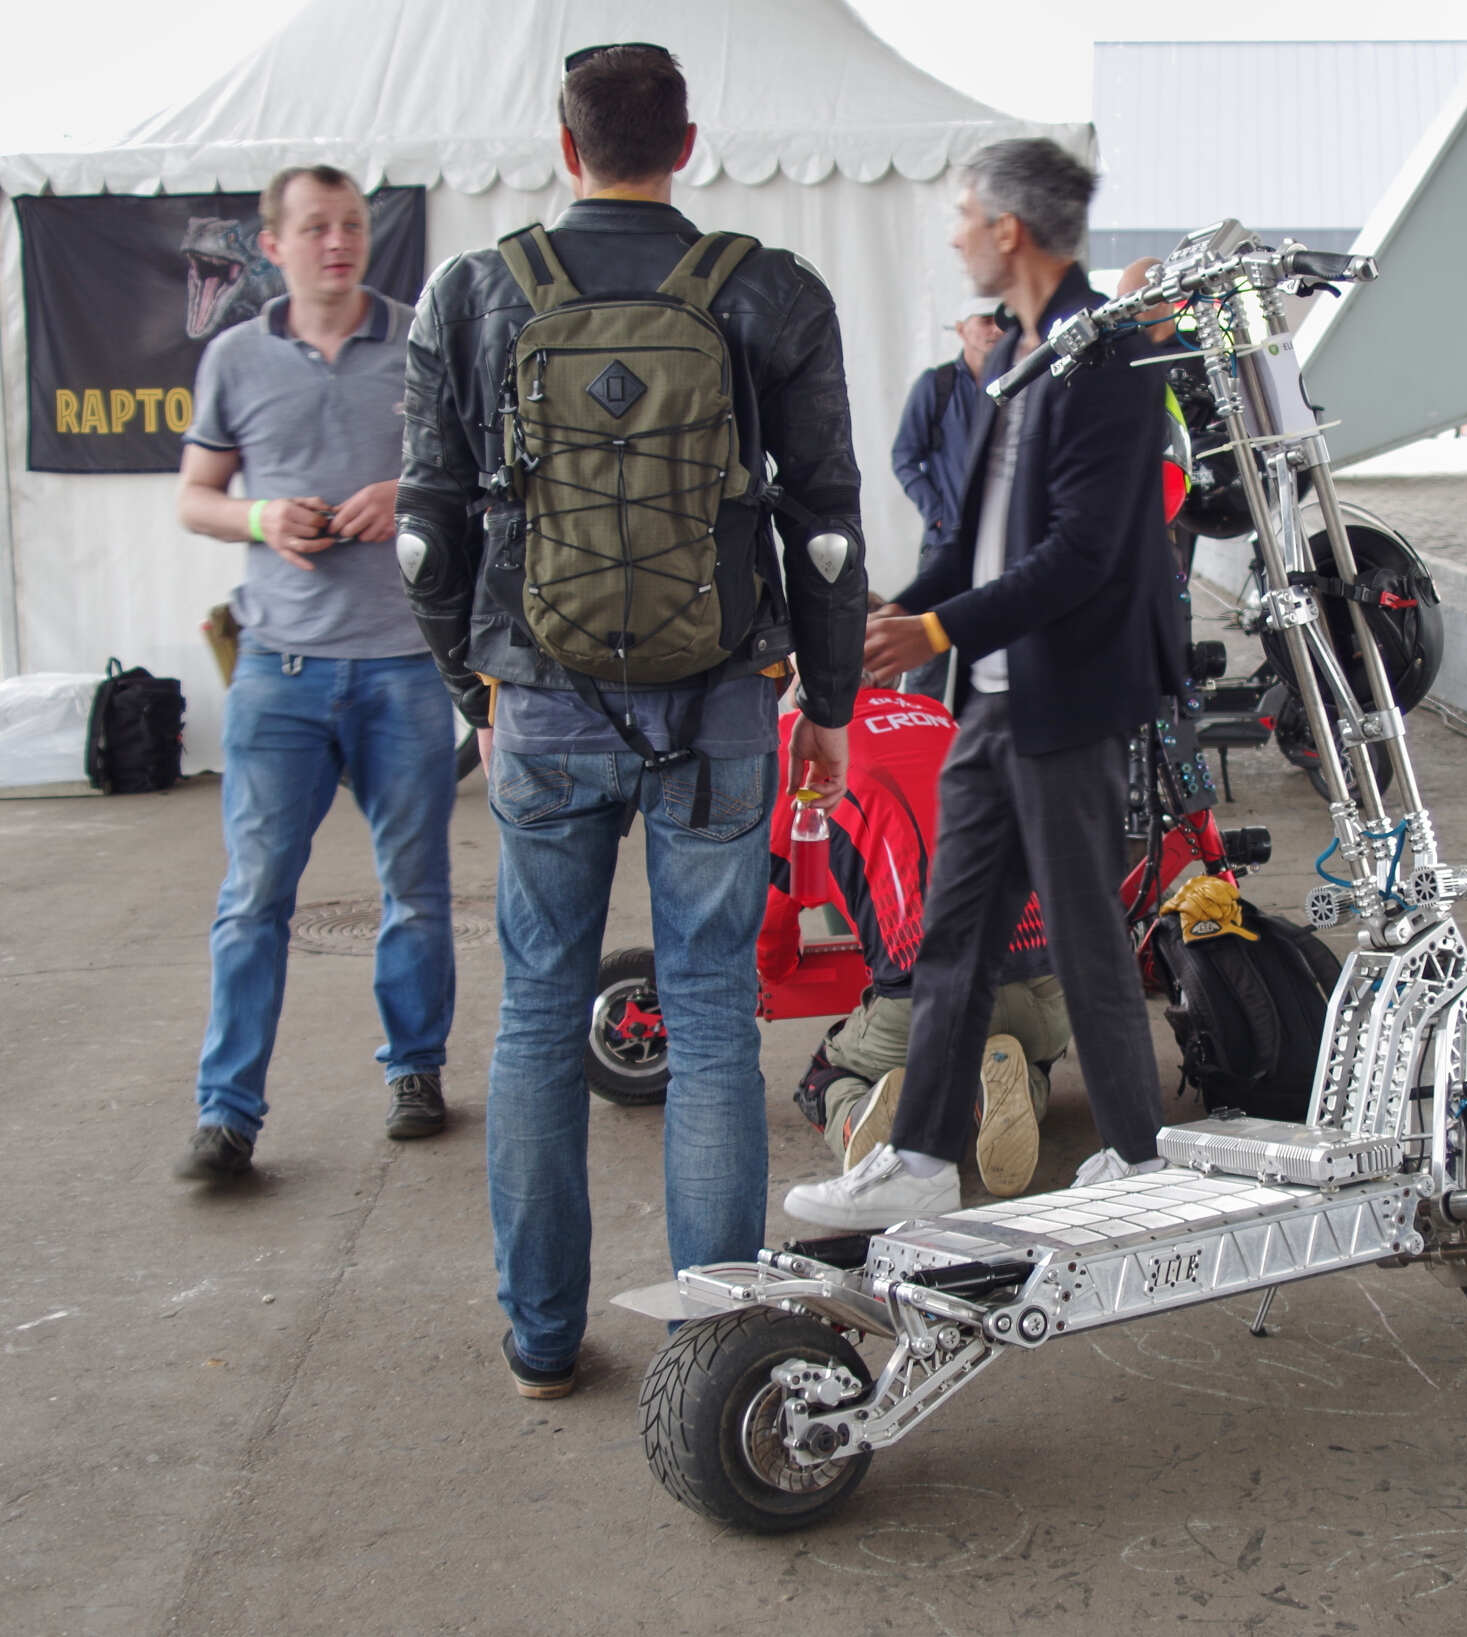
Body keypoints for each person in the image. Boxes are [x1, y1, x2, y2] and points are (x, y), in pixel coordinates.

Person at [397, 43, 865, 1399]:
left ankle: (544, 1340)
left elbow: (427, 534)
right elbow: (824, 526)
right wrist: (830, 702)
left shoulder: (474, 291)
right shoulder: (772, 290)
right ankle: (713, 1351)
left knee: (539, 1013)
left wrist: (475, 689)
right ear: (687, 145)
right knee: (712, 1012)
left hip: (540, 701)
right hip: (721, 701)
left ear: (566, 146)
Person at [784, 138, 1184, 1231]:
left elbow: (1080, 555)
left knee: (1087, 937)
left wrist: (932, 628)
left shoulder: (1106, 356)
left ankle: (1139, 1156)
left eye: (965, 214)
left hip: (1070, 701)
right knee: (950, 937)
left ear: (1009, 230)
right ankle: (919, 1156)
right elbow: (973, 543)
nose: (956, 233)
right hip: (994, 704)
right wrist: (891, 616)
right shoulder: (1015, 354)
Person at [172, 164, 456, 1185]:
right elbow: (196, 497)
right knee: (253, 897)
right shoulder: (235, 357)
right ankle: (226, 1114)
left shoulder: (423, 341)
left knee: (416, 890)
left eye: (352, 225)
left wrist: (405, 491)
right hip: (278, 673)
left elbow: (476, 481)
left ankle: (416, 1070)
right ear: (273, 245)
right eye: (316, 227)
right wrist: (261, 516)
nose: (338, 242)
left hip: (403, 666)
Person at [762, 681, 1069, 1196]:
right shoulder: (934, 714)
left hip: (923, 994)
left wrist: (774, 969)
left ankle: (862, 1113)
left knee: (824, 1077)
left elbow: (774, 898)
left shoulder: (794, 739)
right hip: (1048, 983)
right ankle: (1007, 1085)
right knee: (1031, 1056)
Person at [891, 297, 1002, 700]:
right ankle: (921, 729)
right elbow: (905, 457)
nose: (995, 329)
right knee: (925, 662)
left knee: (990, 659)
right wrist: (936, 512)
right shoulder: (936, 386)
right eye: (985, 320)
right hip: (943, 546)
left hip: (997, 549)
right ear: (960, 329)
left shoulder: (1017, 383)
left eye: (1000, 320)